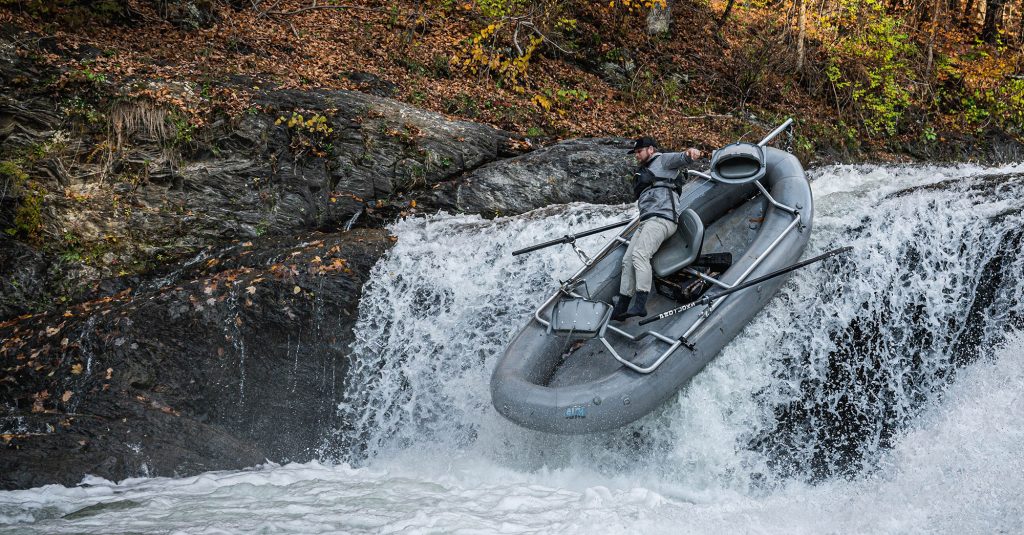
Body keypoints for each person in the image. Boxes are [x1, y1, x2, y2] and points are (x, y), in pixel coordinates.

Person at [611, 137, 702, 321]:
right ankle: (621, 308)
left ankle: (640, 305)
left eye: (639, 151)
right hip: (647, 221)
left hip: (662, 218)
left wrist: (691, 152)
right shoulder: (644, 170)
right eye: (635, 153)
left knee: (640, 255)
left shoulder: (663, 160)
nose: (636, 155)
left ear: (651, 149)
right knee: (627, 260)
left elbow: (683, 158)